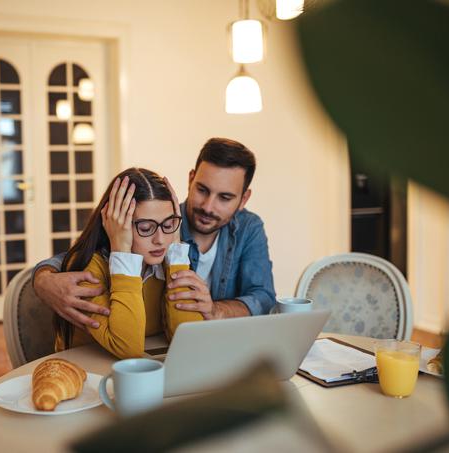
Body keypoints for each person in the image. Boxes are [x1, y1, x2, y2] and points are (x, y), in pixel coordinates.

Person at [33, 137, 276, 330]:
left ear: (244, 199)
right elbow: (90, 252)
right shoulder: (164, 222)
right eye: (202, 190)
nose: (208, 206)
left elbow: (264, 297)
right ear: (191, 179)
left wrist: (215, 310)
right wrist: (43, 280)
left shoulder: (249, 228)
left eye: (225, 197)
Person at [54, 167, 203, 359]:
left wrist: (176, 251)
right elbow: (128, 348)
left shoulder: (165, 259)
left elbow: (189, 338)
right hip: (85, 373)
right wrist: (121, 251)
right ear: (115, 224)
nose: (160, 239)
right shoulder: (88, 268)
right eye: (146, 227)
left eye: (168, 225)